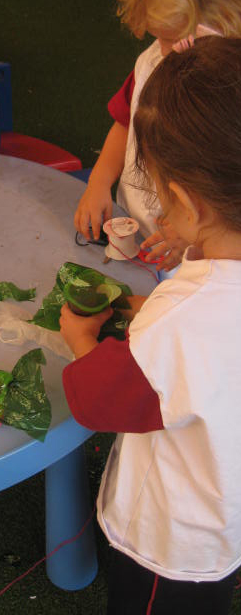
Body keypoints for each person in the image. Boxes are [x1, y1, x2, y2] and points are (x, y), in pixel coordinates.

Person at [60, 36, 241, 615]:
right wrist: (145, 313)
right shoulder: (189, 313)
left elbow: (99, 400)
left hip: (176, 541)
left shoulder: (179, 322)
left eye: (159, 192)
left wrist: (80, 337)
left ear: (188, 200)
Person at [74, 0, 241, 272]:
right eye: (158, 38)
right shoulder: (152, 61)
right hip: (135, 222)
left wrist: (191, 235)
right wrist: (99, 182)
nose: (164, 50)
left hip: (192, 255)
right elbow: (125, 122)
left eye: (174, 39)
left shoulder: (226, 94)